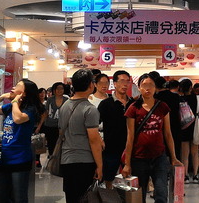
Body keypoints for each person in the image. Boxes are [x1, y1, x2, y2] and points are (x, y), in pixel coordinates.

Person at [122, 73, 182, 203]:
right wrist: (127, 164)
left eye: (151, 85)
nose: (147, 88)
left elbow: (168, 133)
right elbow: (130, 137)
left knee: (161, 193)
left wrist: (173, 157)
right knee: (140, 195)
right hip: (139, 158)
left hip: (159, 157)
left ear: (155, 88)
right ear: (139, 88)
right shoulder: (133, 108)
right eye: (144, 85)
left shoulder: (162, 106)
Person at [0, 79, 44, 203]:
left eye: (17, 86)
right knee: (1, 196)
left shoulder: (31, 109)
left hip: (20, 158)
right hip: (6, 157)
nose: (13, 87)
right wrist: (1, 97)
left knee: (19, 197)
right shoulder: (11, 107)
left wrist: (14, 102)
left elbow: (18, 119)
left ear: (24, 93)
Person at [58, 69, 104, 203]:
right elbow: (94, 140)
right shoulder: (90, 109)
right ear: (91, 85)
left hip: (66, 160)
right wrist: (100, 166)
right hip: (84, 161)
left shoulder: (65, 106)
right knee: (85, 198)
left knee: (71, 197)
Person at [98, 70, 132, 189]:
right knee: (109, 179)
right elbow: (94, 124)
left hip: (130, 148)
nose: (125, 84)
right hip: (111, 148)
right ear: (115, 83)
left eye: (127, 81)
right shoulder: (105, 104)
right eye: (122, 81)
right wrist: (100, 140)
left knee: (130, 180)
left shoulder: (133, 104)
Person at [179, 78, 199, 183]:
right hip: (194, 127)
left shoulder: (179, 99)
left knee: (185, 154)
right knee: (195, 153)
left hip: (183, 128)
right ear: (190, 87)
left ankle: (186, 176)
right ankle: (196, 175)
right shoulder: (196, 98)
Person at [153, 73, 181, 158]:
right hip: (175, 126)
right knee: (175, 151)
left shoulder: (155, 98)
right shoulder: (176, 97)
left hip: (160, 128)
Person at [36, 82, 68, 155]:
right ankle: (52, 159)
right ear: (54, 90)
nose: (60, 90)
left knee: (62, 146)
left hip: (62, 126)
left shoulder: (66, 100)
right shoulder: (50, 99)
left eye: (61, 88)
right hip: (50, 126)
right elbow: (45, 113)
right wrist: (39, 126)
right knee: (51, 145)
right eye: (58, 88)